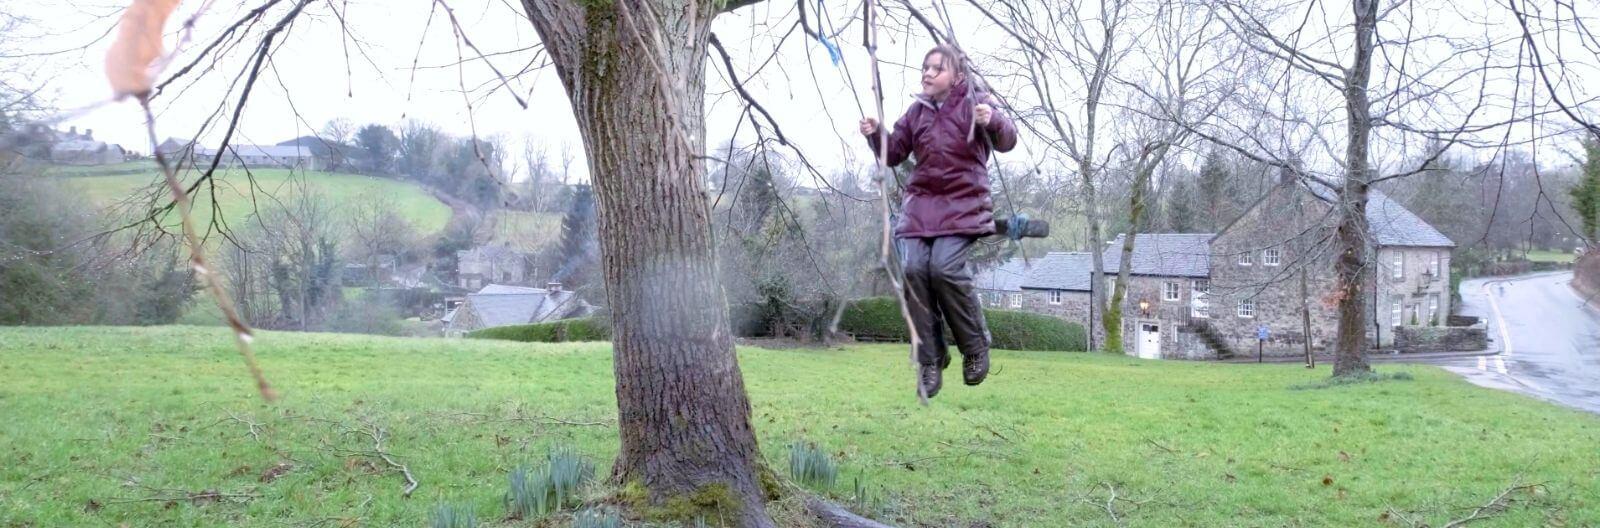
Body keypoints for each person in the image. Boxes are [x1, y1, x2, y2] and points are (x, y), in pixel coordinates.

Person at [859, 45, 1018, 398]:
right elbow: (894, 152)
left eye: (937, 69)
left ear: (957, 76)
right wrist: (875, 133)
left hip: (964, 203)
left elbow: (1007, 140)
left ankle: (975, 347)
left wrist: (991, 120)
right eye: (925, 68)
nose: (928, 74)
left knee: (944, 268)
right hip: (922, 206)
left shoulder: (976, 101)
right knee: (915, 271)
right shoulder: (917, 112)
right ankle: (930, 359)